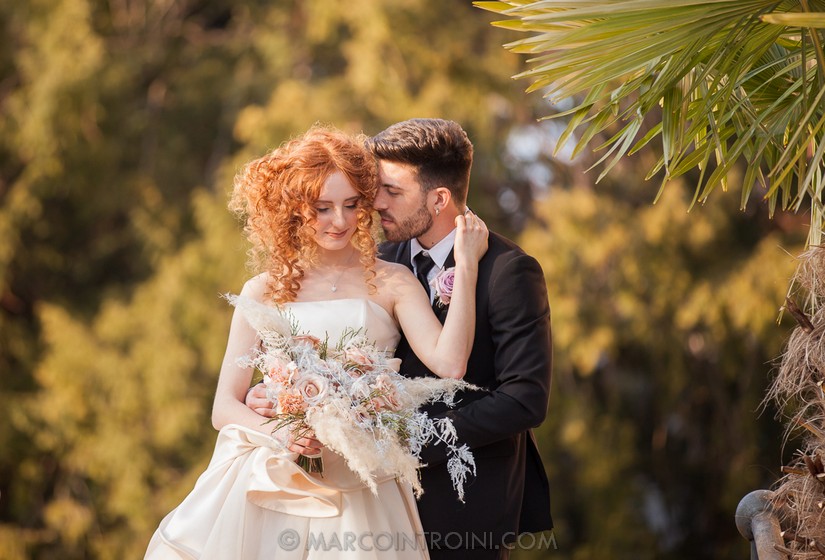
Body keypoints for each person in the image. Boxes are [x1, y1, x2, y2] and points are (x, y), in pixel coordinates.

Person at [144, 125, 488, 560]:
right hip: (271, 477)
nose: (340, 221)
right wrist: (285, 433)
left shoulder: (393, 281)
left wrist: (467, 266)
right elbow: (224, 407)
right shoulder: (261, 290)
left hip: (363, 481)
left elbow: (451, 364)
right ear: (293, 208)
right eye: (323, 208)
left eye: (351, 204)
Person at [249, 118, 553, 559]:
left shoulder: (508, 272)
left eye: (392, 191)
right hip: (366, 497)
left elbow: (524, 400)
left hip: (463, 500)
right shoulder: (377, 261)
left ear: (439, 198)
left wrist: (405, 440)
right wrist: (276, 395)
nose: (375, 203)